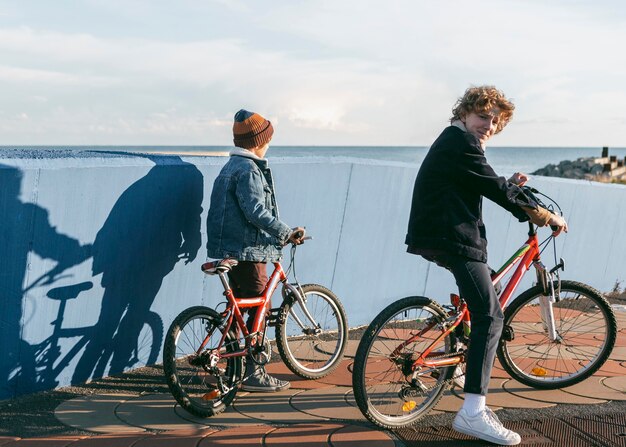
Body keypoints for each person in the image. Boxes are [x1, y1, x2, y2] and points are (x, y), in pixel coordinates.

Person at [405, 86, 567, 446]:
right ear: (464, 112)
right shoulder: (459, 143)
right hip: (451, 237)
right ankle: (473, 412)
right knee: (491, 317)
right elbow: (492, 187)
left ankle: (461, 365)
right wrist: (545, 216)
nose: (489, 125)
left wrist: (508, 186)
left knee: (483, 295)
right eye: (483, 116)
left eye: (495, 121)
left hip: (443, 233)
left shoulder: (457, 142)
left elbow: (481, 182)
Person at [206, 109, 305, 392]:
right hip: (248, 251)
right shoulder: (249, 170)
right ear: (259, 141)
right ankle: (254, 372)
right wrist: (285, 232)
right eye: (268, 139)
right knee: (261, 306)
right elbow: (256, 211)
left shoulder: (230, 167)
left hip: (229, 248)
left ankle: (233, 365)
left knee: (238, 308)